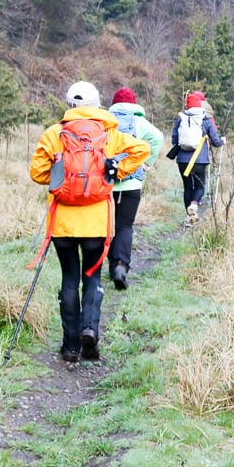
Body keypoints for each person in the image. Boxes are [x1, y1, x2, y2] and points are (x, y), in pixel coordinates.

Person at [29, 81, 150, 363]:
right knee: (92, 276)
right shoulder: (110, 134)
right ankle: (90, 332)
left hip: (63, 223)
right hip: (97, 222)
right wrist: (116, 170)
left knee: (69, 278)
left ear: (69, 105)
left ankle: (70, 347)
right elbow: (142, 150)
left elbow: (36, 173)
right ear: (97, 105)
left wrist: (59, 176)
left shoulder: (54, 134)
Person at [106, 86, 163, 290]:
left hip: (106, 182)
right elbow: (157, 138)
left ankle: (105, 265)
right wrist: (147, 162)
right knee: (125, 225)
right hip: (131, 183)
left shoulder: (105, 120)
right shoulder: (139, 122)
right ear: (134, 103)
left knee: (107, 226)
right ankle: (120, 266)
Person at [171, 91, 223, 225]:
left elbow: (174, 140)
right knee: (200, 186)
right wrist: (222, 141)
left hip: (182, 159)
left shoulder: (181, 118)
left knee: (187, 187)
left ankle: (189, 219)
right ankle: (194, 205)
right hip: (200, 159)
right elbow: (216, 142)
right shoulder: (205, 119)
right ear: (200, 105)